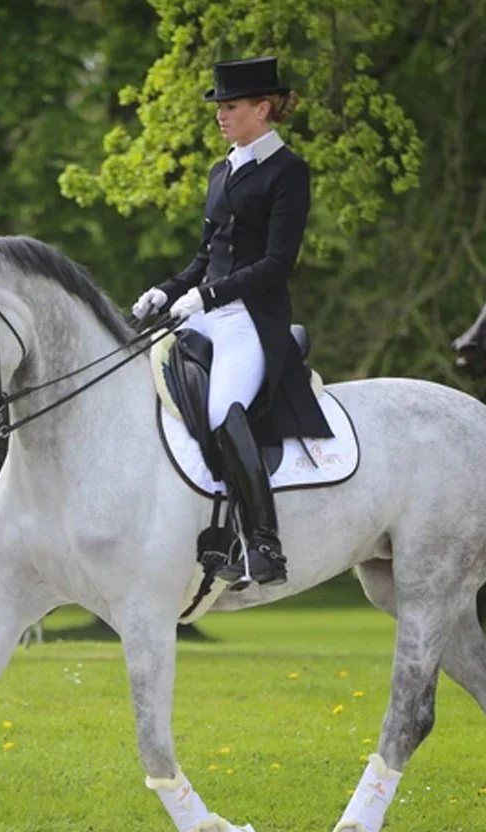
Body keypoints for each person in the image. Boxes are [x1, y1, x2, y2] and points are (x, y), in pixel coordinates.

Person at [133, 56, 332, 588]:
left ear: (262, 109)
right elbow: (207, 255)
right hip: (205, 312)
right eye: (220, 107)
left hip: (249, 319)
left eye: (231, 106)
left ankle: (265, 544)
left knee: (224, 409)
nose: (221, 115)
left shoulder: (288, 171)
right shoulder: (222, 170)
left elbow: (276, 264)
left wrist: (207, 295)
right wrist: (167, 290)